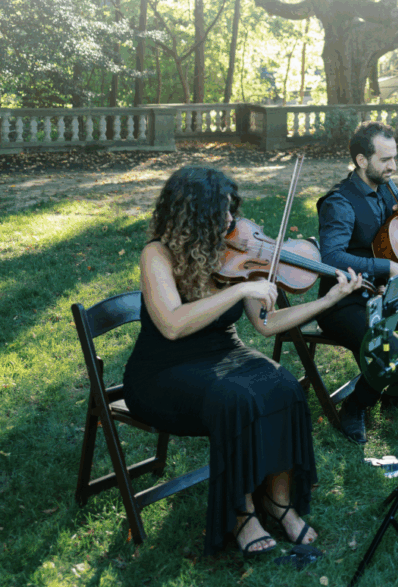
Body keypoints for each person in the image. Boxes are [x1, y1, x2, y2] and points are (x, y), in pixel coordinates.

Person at [123, 165, 363, 561]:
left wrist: (327, 301)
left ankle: (279, 502)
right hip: (162, 372)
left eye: (232, 209)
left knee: (284, 385)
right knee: (236, 399)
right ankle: (241, 513)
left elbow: (267, 326)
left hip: (223, 354)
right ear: (192, 214)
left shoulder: (234, 255)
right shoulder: (158, 254)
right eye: (222, 212)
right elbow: (171, 325)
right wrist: (240, 291)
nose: (232, 220)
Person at [316, 120, 398, 444]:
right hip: (343, 301)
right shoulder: (340, 202)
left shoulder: (385, 187)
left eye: (395, 158)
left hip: (383, 294)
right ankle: (354, 407)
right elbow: (330, 258)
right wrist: (386, 267)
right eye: (386, 159)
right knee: (396, 352)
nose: (394, 166)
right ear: (362, 160)